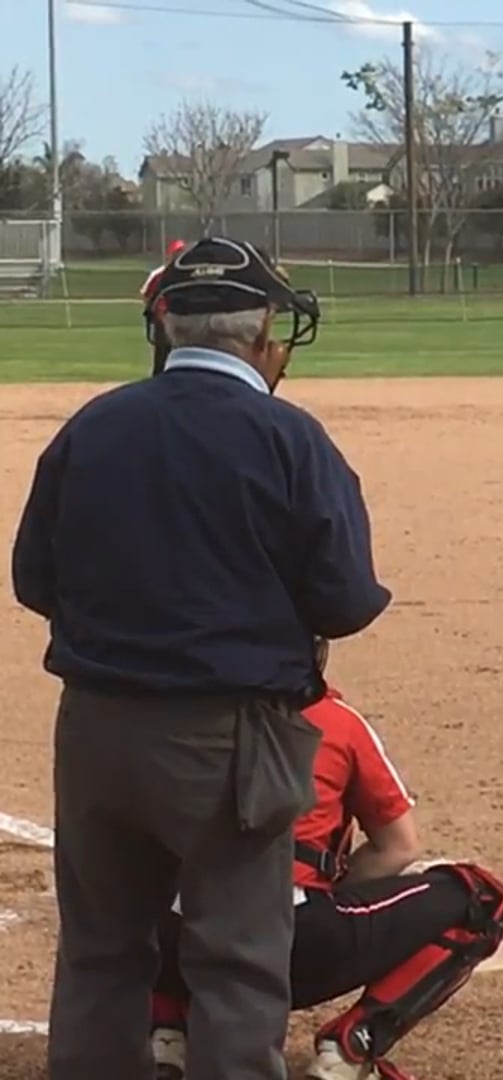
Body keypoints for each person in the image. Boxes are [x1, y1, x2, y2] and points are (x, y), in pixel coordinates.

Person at [11, 235, 391, 1080]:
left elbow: (34, 578)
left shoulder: (93, 426)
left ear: (166, 328)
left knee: (102, 951)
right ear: (262, 336)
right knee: (238, 958)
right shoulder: (290, 437)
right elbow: (346, 599)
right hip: (229, 736)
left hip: (97, 726)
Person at [150, 643, 503, 1080]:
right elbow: (398, 846)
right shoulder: (336, 721)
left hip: (184, 942)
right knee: (479, 900)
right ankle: (351, 1049)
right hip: (298, 945)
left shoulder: (178, 712)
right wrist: (333, 894)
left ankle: (166, 1033)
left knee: (127, 884)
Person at [142, 239, 188, 376]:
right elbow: (146, 294)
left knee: (181, 354)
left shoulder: (188, 272)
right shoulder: (159, 273)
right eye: (177, 252)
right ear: (170, 254)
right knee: (161, 356)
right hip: (162, 320)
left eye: (181, 252)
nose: (179, 255)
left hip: (182, 319)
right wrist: (154, 313)